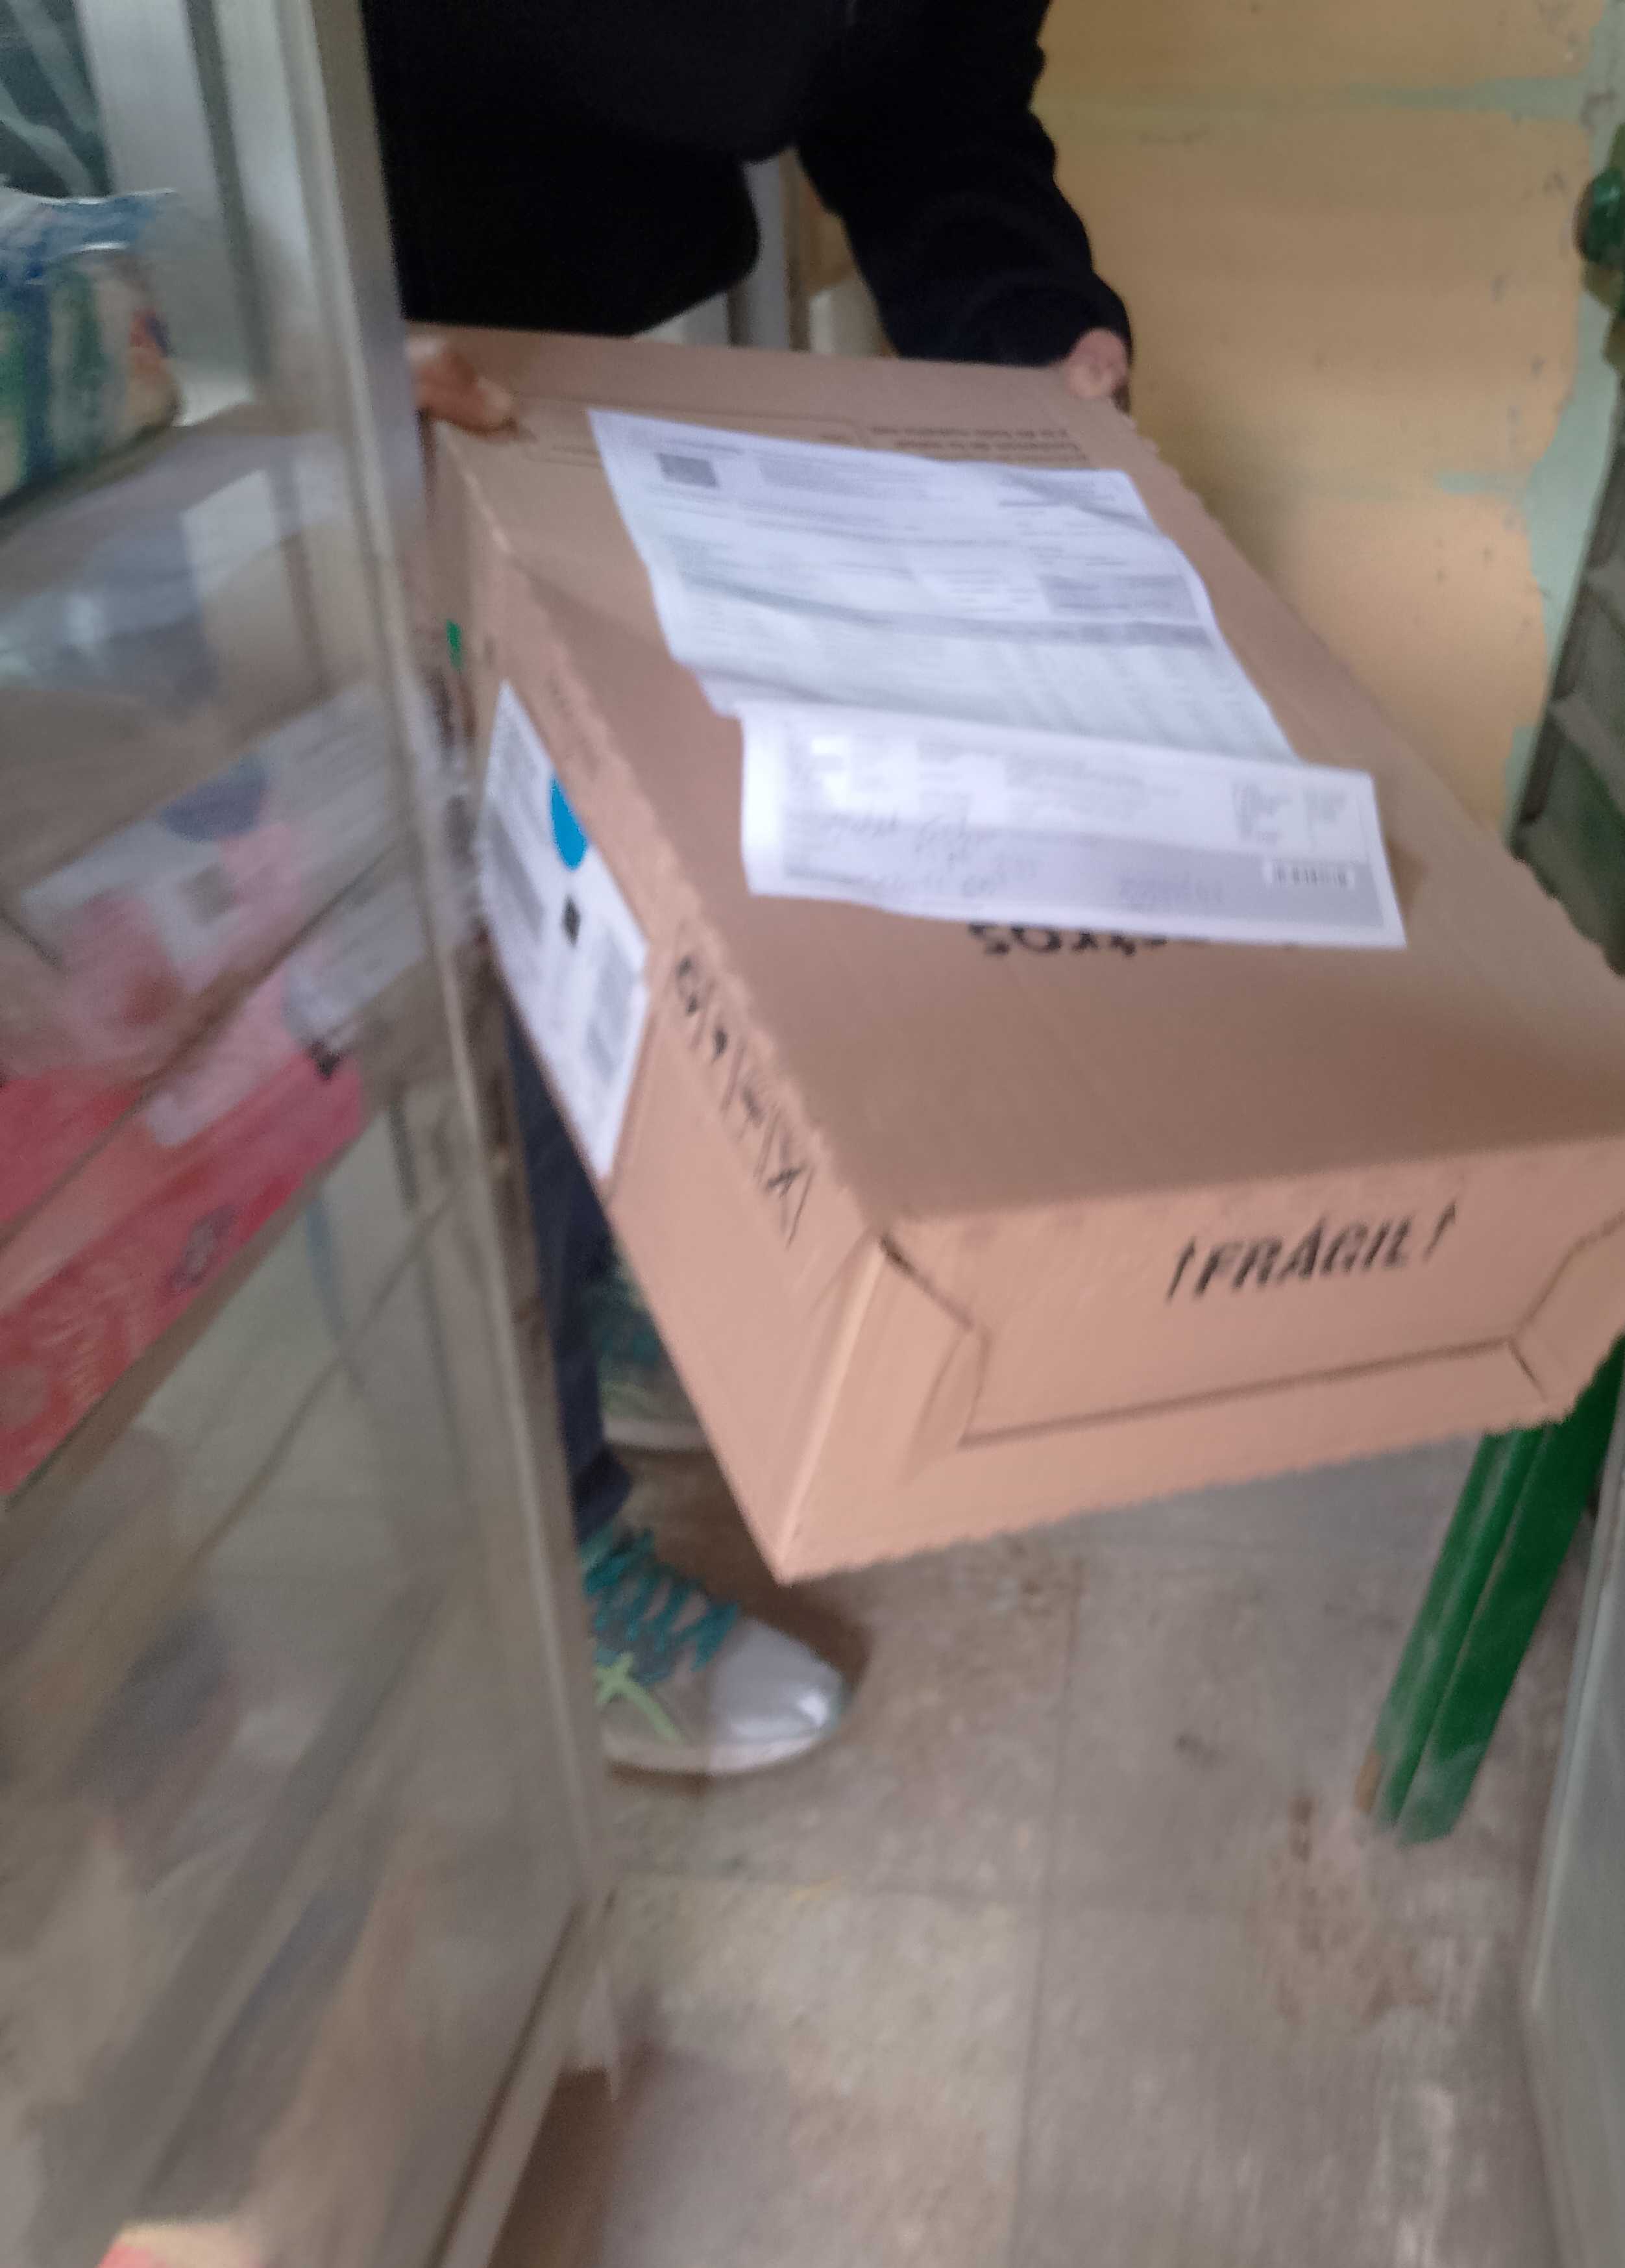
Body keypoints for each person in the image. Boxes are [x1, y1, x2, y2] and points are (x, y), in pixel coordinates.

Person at [363, 0, 1130, 1775]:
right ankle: (533, 1577)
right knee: (432, 1021)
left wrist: (1024, 332)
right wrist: (261, 336)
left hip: (604, 357)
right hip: (320, 314)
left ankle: (614, 1290)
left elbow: (933, 94)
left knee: (598, 896)